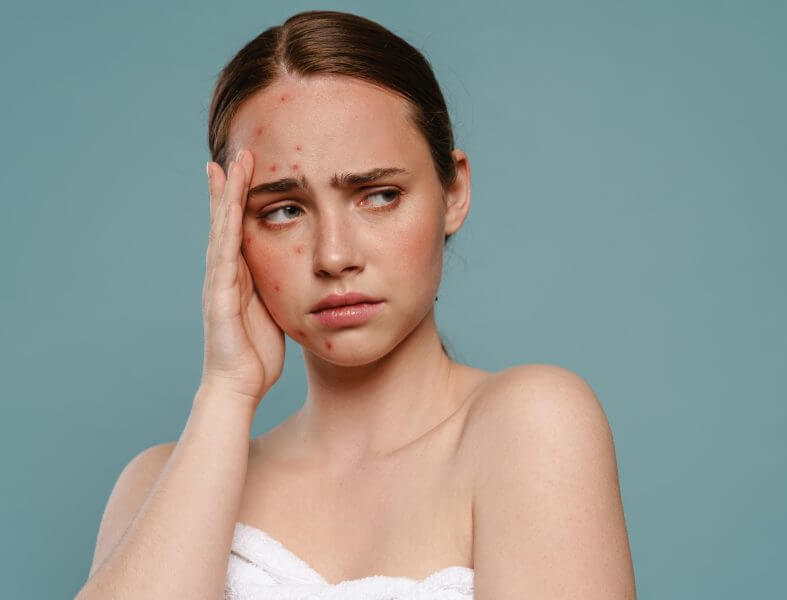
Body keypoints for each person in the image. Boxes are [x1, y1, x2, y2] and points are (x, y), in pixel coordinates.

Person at [75, 10, 636, 599]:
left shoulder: (530, 425)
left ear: (454, 191)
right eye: (283, 210)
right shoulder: (156, 487)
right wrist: (227, 390)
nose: (334, 256)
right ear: (231, 230)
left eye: (379, 195)